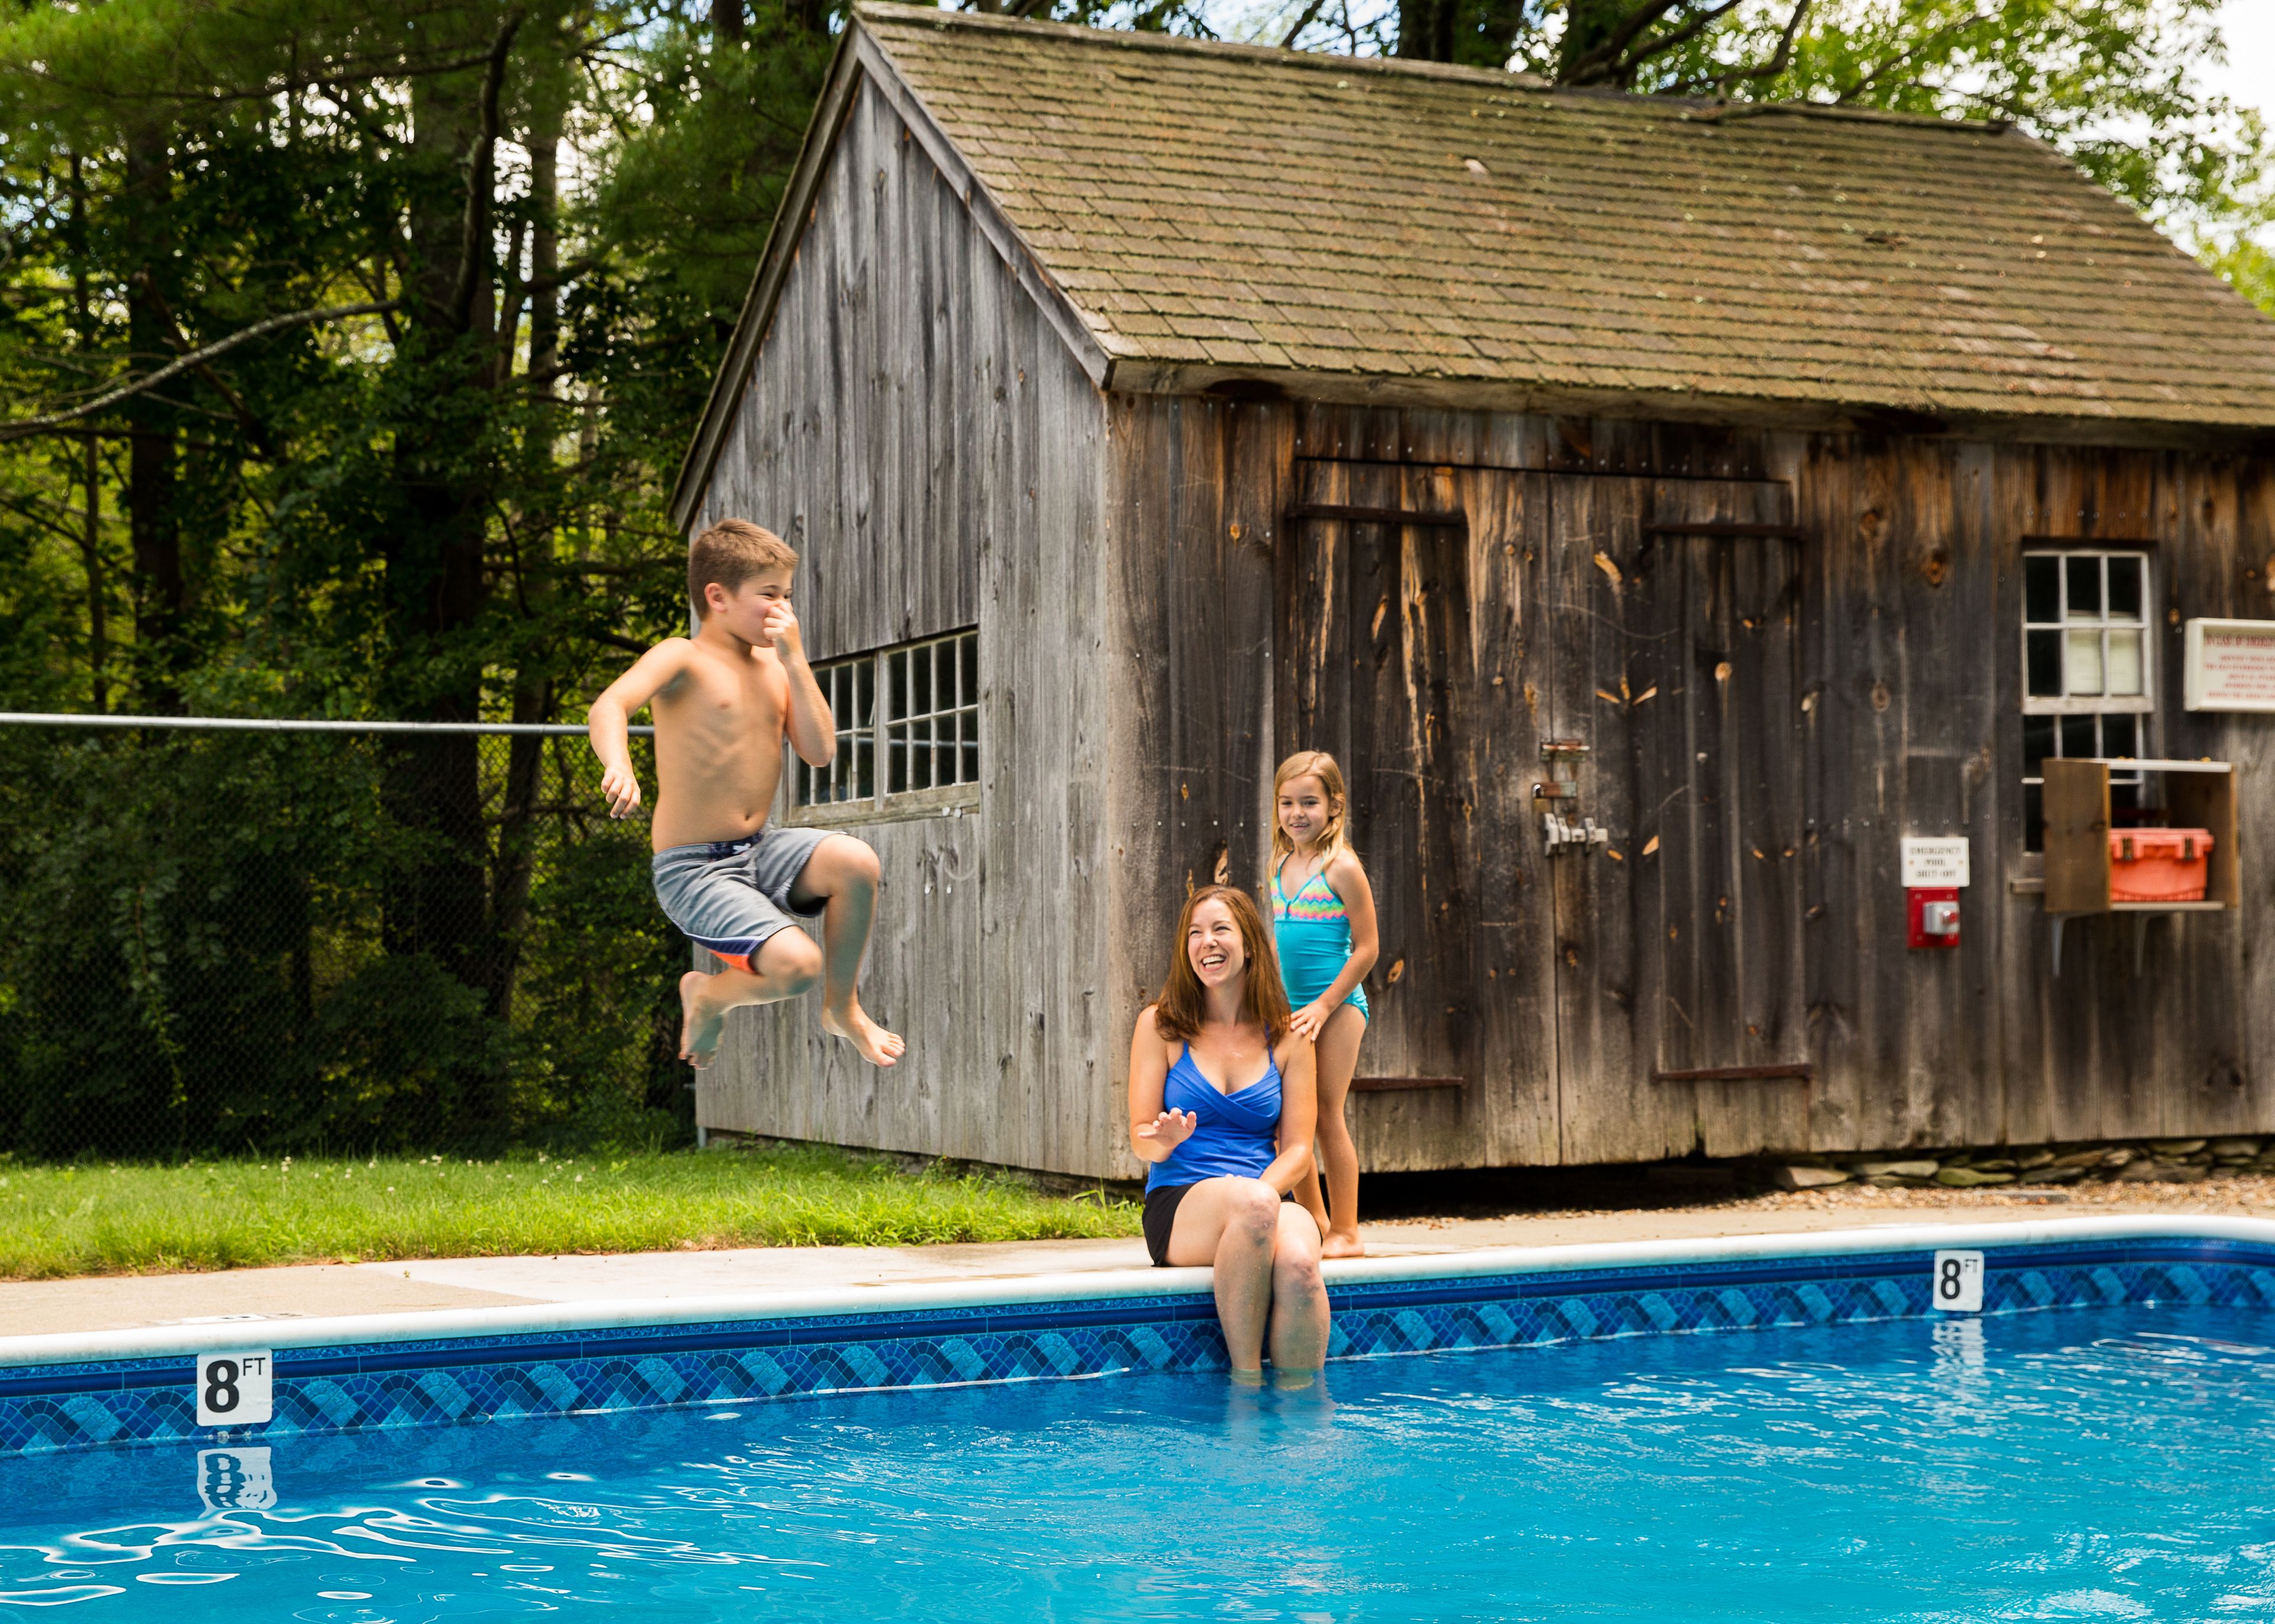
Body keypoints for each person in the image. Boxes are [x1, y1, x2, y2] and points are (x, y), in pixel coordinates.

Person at [587, 518, 905, 1071]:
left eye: (788, 596)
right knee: (795, 967)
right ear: (719, 597)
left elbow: (821, 752)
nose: (784, 610)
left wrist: (796, 661)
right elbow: (609, 706)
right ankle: (709, 996)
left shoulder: (777, 668)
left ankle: (843, 1007)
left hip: (761, 848)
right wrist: (620, 764)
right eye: (769, 596)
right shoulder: (681, 657)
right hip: (695, 870)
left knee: (856, 860)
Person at [1128, 884, 1329, 1381]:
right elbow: (1138, 1137)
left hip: (1264, 1195)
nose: (1206, 943)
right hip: (1182, 1204)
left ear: (1250, 944)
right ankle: (1247, 1390)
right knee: (1258, 1207)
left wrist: (1262, 1193)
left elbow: (1300, 1149)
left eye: (1221, 929)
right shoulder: (1160, 1026)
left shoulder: (1289, 1035)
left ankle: (1302, 1419)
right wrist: (1164, 1141)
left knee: (1302, 1264)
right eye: (1195, 933)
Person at [1271, 750, 1379, 1259]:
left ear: (1334, 806)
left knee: (1326, 1115)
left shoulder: (1342, 867)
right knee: (1288, 1121)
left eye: (1309, 802)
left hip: (1337, 1009)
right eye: (1287, 803)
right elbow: (1276, 943)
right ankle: (1313, 1221)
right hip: (1292, 1010)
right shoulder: (1281, 864)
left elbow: (1367, 948)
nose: (1297, 813)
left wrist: (1326, 1004)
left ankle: (1347, 1230)